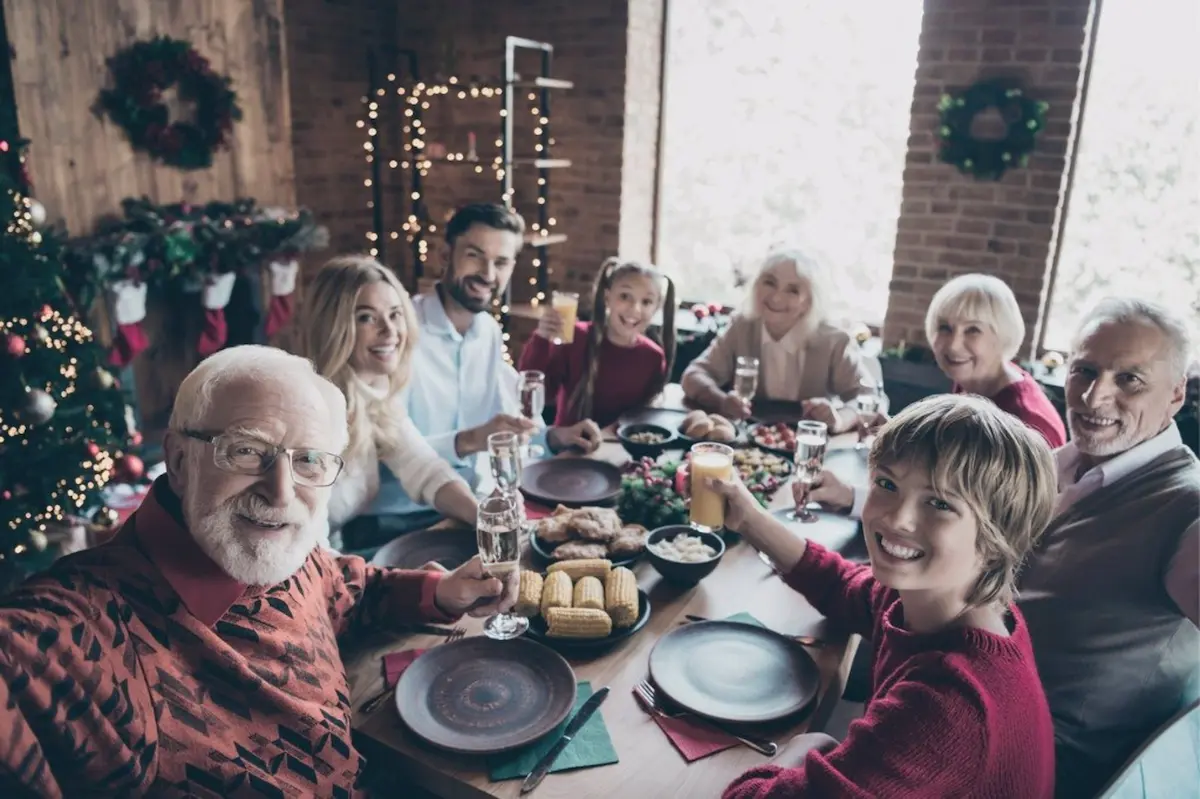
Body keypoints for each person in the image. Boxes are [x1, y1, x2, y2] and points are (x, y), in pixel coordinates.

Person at [0, 346, 514, 796]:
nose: (282, 491)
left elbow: (346, 589)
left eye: (309, 460)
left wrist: (443, 591)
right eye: (247, 451)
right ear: (178, 462)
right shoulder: (92, 635)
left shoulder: (285, 552)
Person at [714, 394, 1058, 799]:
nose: (897, 518)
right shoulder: (948, 603)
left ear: (1000, 535)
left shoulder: (947, 706)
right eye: (887, 484)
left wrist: (803, 750)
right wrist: (750, 519)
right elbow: (845, 586)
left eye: (939, 503)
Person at [1017, 298, 1198, 798]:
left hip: (1045, 774)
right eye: (1085, 370)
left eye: (1130, 380)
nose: (1095, 397)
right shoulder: (1058, 463)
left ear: (1176, 394)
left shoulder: (1190, 510)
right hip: (968, 711)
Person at [406, 202, 602, 475]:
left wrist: (556, 438)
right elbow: (380, 450)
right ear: (445, 255)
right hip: (406, 512)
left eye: (501, 262)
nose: (488, 274)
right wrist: (470, 440)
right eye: (475, 256)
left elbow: (506, 425)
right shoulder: (401, 331)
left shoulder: (488, 331)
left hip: (472, 498)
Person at [301, 255, 477, 550]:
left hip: (340, 557)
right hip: (313, 571)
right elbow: (303, 542)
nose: (390, 330)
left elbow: (423, 467)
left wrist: (482, 516)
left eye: (395, 314)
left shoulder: (375, 396)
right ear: (333, 328)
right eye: (366, 317)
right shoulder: (308, 416)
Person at [681, 249, 873, 433]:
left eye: (793, 290)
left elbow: (868, 398)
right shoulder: (742, 326)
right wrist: (722, 401)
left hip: (811, 446)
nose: (777, 297)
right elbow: (694, 375)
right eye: (770, 283)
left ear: (808, 302)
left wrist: (839, 420)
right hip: (751, 443)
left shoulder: (833, 340)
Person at [519, 257, 676, 427]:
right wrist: (541, 338)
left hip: (620, 449)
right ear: (607, 297)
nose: (635, 309)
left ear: (656, 307)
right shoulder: (576, 337)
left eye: (646, 302)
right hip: (569, 448)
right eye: (625, 296)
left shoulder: (653, 357)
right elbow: (537, 395)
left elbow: (642, 418)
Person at [925, 273, 1066, 447]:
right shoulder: (970, 380)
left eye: (972, 330)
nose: (953, 345)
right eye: (945, 327)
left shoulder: (1029, 424)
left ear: (1002, 335)